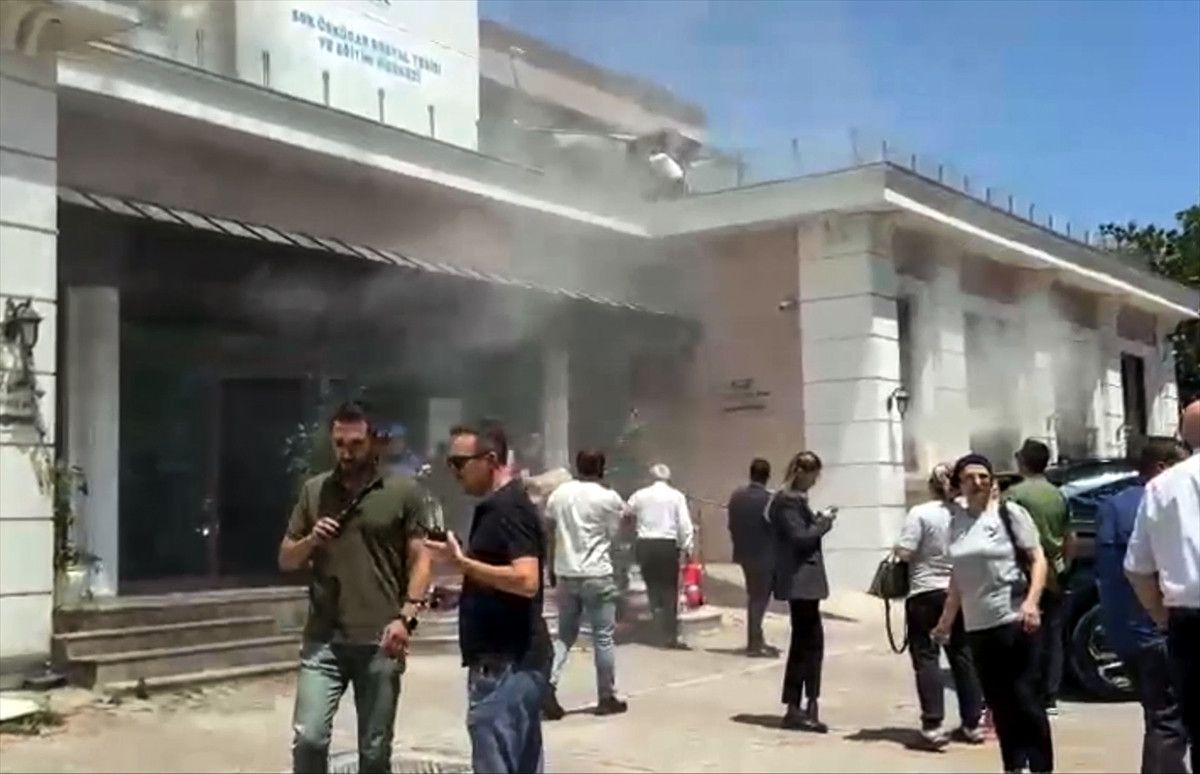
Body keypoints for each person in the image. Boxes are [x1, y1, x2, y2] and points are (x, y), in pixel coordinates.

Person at [277, 402, 434, 774]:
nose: (346, 453)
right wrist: (311, 541)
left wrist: (407, 617)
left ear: (375, 442)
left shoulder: (404, 491)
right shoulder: (315, 491)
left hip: (381, 639)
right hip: (324, 638)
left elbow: (421, 559)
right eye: (339, 444)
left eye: (355, 444)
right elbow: (286, 558)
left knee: (375, 750)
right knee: (309, 738)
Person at [423, 423, 550, 774]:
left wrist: (462, 563)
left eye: (459, 463)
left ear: (490, 460)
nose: (453, 472)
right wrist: (463, 591)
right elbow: (506, 578)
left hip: (505, 667)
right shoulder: (506, 505)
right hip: (514, 663)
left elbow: (526, 580)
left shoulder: (507, 508)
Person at [934, 453, 1054, 774]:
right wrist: (945, 622)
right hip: (978, 626)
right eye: (970, 478)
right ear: (959, 484)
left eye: (984, 477)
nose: (978, 483)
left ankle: (1041, 767)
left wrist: (1031, 602)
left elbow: (1038, 559)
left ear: (992, 482)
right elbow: (958, 578)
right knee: (999, 704)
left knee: (1026, 699)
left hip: (1015, 619)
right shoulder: (956, 523)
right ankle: (1013, 766)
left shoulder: (1008, 514)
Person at [1096, 436, 1190, 774]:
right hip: (1156, 630)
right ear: (1162, 468)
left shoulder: (1112, 505)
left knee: (1158, 715)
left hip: (1123, 632)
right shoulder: (1162, 502)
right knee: (1168, 720)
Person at [1126, 399, 1200, 774]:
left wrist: (1161, 616)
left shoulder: (1161, 487)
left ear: (1184, 435)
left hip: (1189, 622)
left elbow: (1136, 568)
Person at [894, 462, 985, 749]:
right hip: (960, 592)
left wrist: (897, 550)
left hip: (925, 592)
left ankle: (933, 725)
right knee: (962, 655)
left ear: (932, 486)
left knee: (926, 656)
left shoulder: (920, 513)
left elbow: (905, 552)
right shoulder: (967, 515)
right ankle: (973, 723)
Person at [542, 449, 629, 721]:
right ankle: (606, 696)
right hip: (597, 573)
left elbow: (549, 533)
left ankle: (548, 684)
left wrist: (550, 566)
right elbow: (620, 529)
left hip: (566, 573)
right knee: (602, 637)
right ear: (601, 468)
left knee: (564, 635)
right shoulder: (608, 497)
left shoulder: (559, 495)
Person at [1005, 438, 1072, 715]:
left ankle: (1027, 691)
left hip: (1025, 572)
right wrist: (1064, 566)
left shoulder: (1013, 496)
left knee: (1025, 635)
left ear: (1023, 461)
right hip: (1055, 571)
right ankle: (1050, 696)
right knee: (1053, 635)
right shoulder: (1059, 494)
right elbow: (1069, 536)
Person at [769, 450, 835, 733]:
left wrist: (816, 521)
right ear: (802, 473)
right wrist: (823, 524)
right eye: (813, 476)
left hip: (805, 582)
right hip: (800, 581)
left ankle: (807, 702)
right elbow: (800, 538)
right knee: (805, 645)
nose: (814, 482)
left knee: (810, 644)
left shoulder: (794, 501)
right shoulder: (786, 502)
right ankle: (796, 706)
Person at [628, 463, 695, 650]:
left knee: (652, 586)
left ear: (650, 477)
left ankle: (657, 627)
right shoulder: (676, 496)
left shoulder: (640, 495)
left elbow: (626, 512)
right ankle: (669, 634)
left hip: (645, 544)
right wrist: (688, 547)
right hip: (666, 544)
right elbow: (684, 525)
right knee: (669, 589)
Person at [726, 457, 779, 658]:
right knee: (759, 599)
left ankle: (757, 639)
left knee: (754, 596)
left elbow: (731, 525)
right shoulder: (769, 499)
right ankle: (754, 643)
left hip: (744, 553)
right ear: (767, 476)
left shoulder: (737, 497)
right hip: (764, 555)